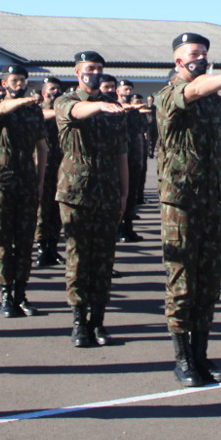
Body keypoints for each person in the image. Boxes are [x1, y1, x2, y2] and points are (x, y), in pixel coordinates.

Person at [156, 32, 221, 386]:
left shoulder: (218, 104)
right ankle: (182, 358)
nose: (199, 58)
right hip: (181, 201)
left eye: (203, 53)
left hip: (213, 198)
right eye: (193, 54)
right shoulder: (169, 94)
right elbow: (192, 91)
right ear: (178, 61)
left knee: (208, 281)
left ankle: (201, 355)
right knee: (182, 279)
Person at [55, 51, 128, 348]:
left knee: (103, 259)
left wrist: (125, 193)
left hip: (108, 190)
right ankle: (78, 320)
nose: (94, 72)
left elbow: (122, 153)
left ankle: (97, 321)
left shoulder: (114, 108)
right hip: (76, 192)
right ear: (77, 72)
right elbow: (74, 113)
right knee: (78, 257)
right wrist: (99, 105)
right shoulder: (65, 101)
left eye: (98, 68)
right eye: (89, 68)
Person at [0, 63, 47, 317]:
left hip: (27, 182)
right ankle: (5, 293)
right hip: (1, 182)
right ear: (4, 83)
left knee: (24, 241)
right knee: (2, 241)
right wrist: (22, 102)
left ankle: (20, 293)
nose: (19, 84)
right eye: (14, 80)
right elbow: (0, 109)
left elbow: (42, 147)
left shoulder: (34, 111)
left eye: (22, 80)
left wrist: (40, 180)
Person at [35, 77, 65, 266]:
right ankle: (41, 247)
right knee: (42, 210)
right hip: (42, 166)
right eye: (52, 89)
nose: (56, 92)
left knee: (56, 209)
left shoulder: (63, 111)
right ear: (44, 93)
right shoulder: (37, 111)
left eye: (58, 89)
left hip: (60, 166)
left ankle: (53, 247)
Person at [117, 79, 150, 244]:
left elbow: (139, 135)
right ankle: (118, 228)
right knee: (119, 195)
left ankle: (128, 227)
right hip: (119, 158)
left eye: (130, 89)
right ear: (118, 91)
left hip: (134, 157)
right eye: (125, 89)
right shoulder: (113, 110)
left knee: (131, 195)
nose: (128, 92)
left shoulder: (136, 112)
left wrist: (141, 157)